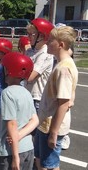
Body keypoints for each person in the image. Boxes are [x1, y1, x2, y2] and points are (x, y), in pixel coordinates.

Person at [35, 26, 78, 170]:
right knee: (42, 161)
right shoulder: (63, 64)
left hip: (50, 126)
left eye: (51, 40)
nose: (47, 42)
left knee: (50, 165)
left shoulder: (63, 69)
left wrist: (53, 133)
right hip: (46, 124)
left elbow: (64, 103)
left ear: (61, 45)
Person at [0, 52, 39, 170]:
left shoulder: (7, 93)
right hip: (28, 148)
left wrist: (15, 158)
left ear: (9, 71)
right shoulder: (26, 92)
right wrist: (20, 135)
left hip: (10, 151)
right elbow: (35, 120)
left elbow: (12, 124)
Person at [25, 18, 54, 114]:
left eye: (31, 34)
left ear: (42, 36)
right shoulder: (30, 51)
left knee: (32, 127)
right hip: (27, 94)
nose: (28, 37)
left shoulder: (45, 54)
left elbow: (29, 77)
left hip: (36, 99)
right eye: (27, 34)